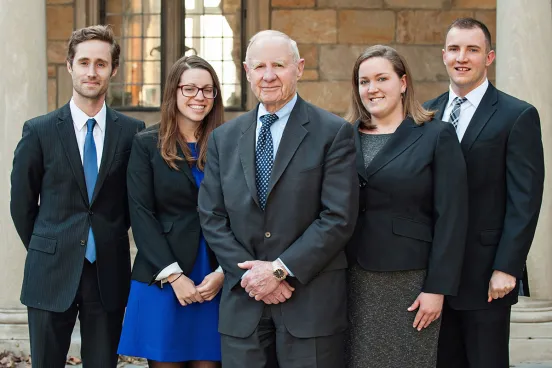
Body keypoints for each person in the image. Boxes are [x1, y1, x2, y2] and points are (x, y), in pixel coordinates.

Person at [198, 30, 359, 368]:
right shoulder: (223, 139)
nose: (268, 75)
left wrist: (280, 271)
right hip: (244, 305)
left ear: (299, 68)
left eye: (279, 65)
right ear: (246, 71)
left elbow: (338, 216)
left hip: (310, 305)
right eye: (259, 66)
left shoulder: (332, 133)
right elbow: (212, 216)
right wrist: (253, 277)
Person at [10, 25, 145, 367]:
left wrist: (109, 236)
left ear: (113, 70)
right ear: (70, 65)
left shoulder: (131, 133)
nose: (91, 71)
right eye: (84, 62)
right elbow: (21, 205)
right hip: (50, 270)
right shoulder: (38, 131)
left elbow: (133, 203)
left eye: (101, 64)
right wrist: (50, 245)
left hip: (107, 271)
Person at [424, 18, 545, 368]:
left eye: (472, 50)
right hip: (434, 276)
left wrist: (507, 267)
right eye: (455, 49)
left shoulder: (517, 115)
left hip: (487, 275)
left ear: (489, 57)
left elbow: (525, 200)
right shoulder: (426, 114)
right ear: (444, 55)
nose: (463, 57)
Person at [344, 45, 469, 368]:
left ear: (402, 83)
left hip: (409, 281)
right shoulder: (343, 137)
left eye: (381, 78)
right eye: (364, 81)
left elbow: (451, 218)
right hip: (348, 278)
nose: (372, 89)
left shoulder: (435, 135)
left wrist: (437, 288)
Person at [118, 55, 225, 368]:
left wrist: (223, 273)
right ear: (174, 92)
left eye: (207, 90)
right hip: (163, 274)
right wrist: (174, 275)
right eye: (189, 88)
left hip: (214, 275)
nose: (199, 97)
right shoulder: (146, 144)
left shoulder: (229, 143)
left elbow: (243, 213)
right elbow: (141, 214)